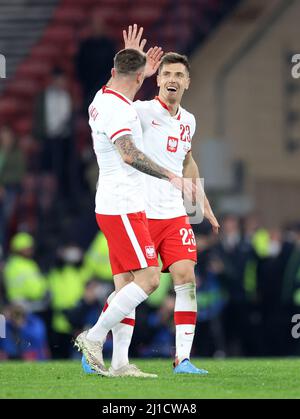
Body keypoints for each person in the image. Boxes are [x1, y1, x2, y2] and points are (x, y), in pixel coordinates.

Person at [82, 25, 219, 376]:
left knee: (185, 276)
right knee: (133, 286)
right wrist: (137, 67)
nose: (172, 78)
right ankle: (96, 343)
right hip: (135, 207)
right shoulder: (137, 111)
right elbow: (123, 106)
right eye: (167, 73)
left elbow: (187, 161)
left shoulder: (189, 120)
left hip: (172, 213)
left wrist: (201, 204)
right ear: (155, 79)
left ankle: (181, 359)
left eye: (179, 75)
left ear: (187, 83)